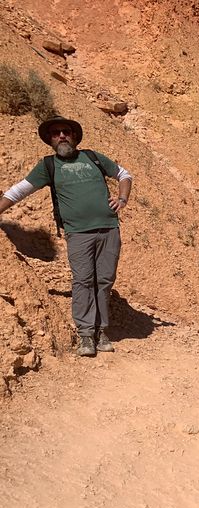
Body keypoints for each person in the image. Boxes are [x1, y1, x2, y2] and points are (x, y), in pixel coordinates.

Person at [0, 116, 132, 356]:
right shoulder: (48, 166)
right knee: (82, 281)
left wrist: (122, 198)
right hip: (78, 234)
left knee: (104, 280)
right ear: (50, 140)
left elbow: (124, 175)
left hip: (109, 229)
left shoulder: (92, 157)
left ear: (74, 136)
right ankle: (85, 335)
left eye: (66, 132)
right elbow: (20, 190)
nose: (61, 136)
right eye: (56, 133)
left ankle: (101, 330)